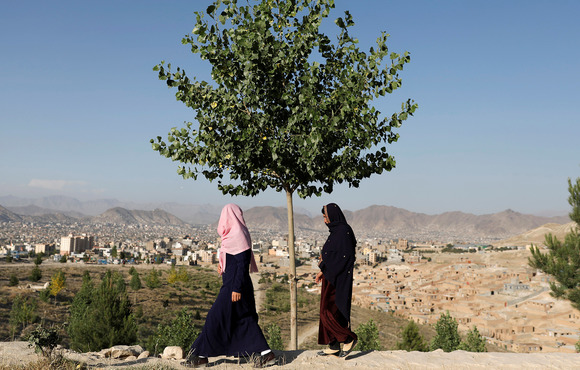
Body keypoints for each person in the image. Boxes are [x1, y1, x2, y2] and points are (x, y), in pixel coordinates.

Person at [185, 204, 276, 368]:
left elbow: (242, 264)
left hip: (235, 286)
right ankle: (265, 353)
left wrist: (236, 288)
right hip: (234, 283)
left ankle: (201, 354)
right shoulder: (233, 234)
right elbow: (232, 258)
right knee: (244, 318)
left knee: (215, 316)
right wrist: (222, 265)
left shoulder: (237, 234)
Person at [315, 203, 358, 358]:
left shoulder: (343, 231)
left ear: (333, 216)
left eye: (326, 217)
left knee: (327, 312)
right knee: (332, 312)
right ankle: (333, 345)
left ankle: (348, 338)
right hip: (330, 276)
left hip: (337, 279)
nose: (325, 221)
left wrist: (324, 266)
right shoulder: (336, 232)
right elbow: (333, 254)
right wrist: (322, 271)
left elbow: (345, 257)